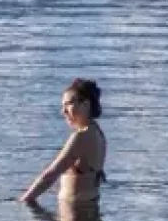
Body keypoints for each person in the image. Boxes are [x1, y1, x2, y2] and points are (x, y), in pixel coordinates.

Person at [20, 77, 106, 207]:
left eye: (68, 104)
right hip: (89, 209)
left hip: (75, 216)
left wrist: (24, 201)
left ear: (86, 104)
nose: (63, 111)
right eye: (63, 106)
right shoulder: (98, 133)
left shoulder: (81, 137)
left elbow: (50, 175)